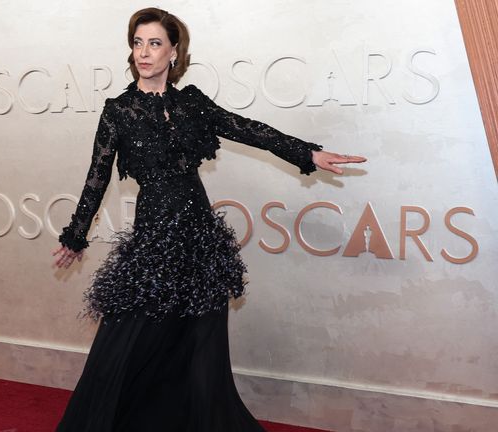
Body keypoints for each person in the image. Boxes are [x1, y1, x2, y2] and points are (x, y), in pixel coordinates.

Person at [51, 7, 366, 431]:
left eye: (154, 43)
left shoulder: (192, 103)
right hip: (155, 235)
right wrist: (75, 237)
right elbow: (96, 178)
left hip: (199, 235)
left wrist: (307, 152)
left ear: (173, 52)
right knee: (124, 342)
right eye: (137, 43)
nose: (143, 52)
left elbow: (250, 129)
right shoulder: (118, 111)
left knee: (202, 347)